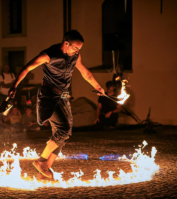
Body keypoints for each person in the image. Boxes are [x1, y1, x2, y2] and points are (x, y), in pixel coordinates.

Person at [7, 30, 105, 179]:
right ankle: (41, 162)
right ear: (66, 43)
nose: (77, 51)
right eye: (75, 48)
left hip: (64, 97)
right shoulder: (49, 55)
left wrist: (97, 86)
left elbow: (85, 72)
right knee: (63, 129)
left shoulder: (75, 56)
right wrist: (14, 86)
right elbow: (27, 68)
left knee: (64, 135)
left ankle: (45, 170)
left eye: (79, 49)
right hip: (49, 96)